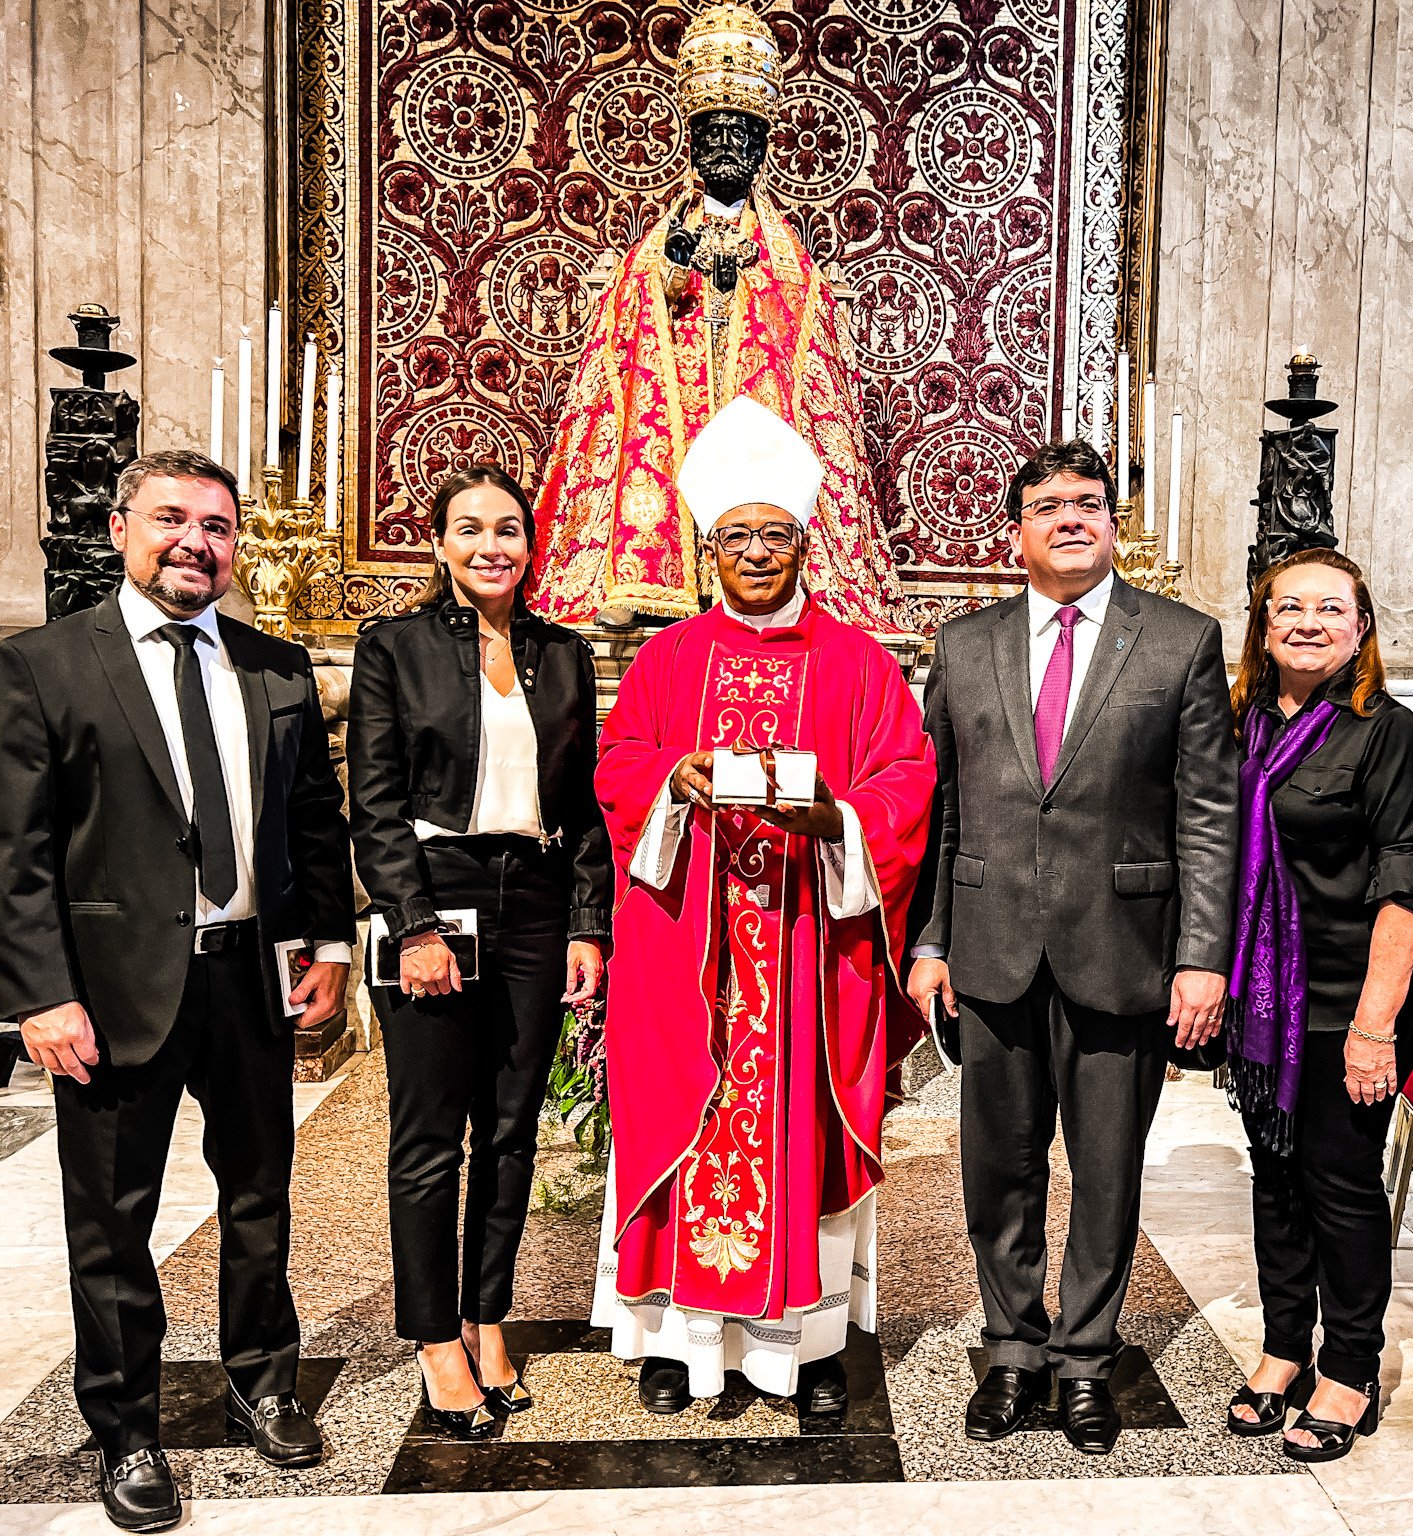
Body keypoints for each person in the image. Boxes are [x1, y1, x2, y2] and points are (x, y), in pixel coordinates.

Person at [0, 451, 354, 1532]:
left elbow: (313, 828)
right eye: (173, 519)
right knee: (112, 1222)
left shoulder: (276, 669)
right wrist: (41, 994)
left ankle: (261, 1378)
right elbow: (15, 849)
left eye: (218, 527)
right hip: (107, 991)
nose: (197, 541)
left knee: (259, 1197)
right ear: (120, 526)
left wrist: (325, 941)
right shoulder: (43, 664)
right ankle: (126, 1428)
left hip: (246, 978)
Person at [591, 396, 935, 1415]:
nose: (753, 553)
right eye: (734, 536)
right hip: (686, 951)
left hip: (804, 954)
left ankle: (802, 1348)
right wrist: (670, 779)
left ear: (801, 542)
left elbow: (907, 781)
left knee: (799, 1136)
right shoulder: (665, 660)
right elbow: (616, 767)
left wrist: (836, 817)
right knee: (678, 1119)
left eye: (772, 535)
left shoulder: (859, 664)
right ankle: (672, 1343)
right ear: (710, 548)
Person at [909, 438, 1240, 1455]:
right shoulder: (964, 645)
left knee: (1104, 1172)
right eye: (1047, 504)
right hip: (990, 945)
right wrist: (929, 943)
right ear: (1015, 531)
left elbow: (1207, 814)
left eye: (1087, 503)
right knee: (996, 1171)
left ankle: (1086, 1358)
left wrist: (1200, 956)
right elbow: (941, 809)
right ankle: (1011, 1349)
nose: (1069, 518)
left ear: (1111, 523)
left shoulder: (1180, 640)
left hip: (1124, 949)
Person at [348, 464, 614, 1439]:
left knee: (509, 1134)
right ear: (440, 545)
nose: (491, 545)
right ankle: (432, 1339)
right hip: (438, 893)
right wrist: (411, 922)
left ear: (531, 545)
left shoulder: (563, 654)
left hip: (537, 901)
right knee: (429, 1138)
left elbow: (582, 805)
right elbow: (372, 804)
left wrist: (589, 924)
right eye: (470, 528)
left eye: (508, 528)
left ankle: (485, 1315)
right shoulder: (395, 648)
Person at [527, 2, 904, 632]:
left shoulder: (791, 261)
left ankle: (775, 568)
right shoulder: (656, 242)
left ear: (762, 148)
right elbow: (623, 348)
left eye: (742, 135)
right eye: (713, 136)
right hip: (675, 407)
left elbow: (806, 366)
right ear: (692, 146)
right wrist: (668, 279)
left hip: (751, 405)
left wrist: (745, 285)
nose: (727, 149)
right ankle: (650, 572)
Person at [1221, 549, 1413, 1463]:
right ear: (1262, 628)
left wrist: (1374, 1025)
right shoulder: (1237, 729)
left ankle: (1349, 1367)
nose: (1307, 623)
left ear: (1360, 629)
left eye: (1329, 609)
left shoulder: (1382, 731)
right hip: (1262, 1000)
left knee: (1340, 1188)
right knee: (1275, 1177)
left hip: (1353, 996)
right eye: (1288, 608)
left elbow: (1409, 882)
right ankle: (1283, 1349)